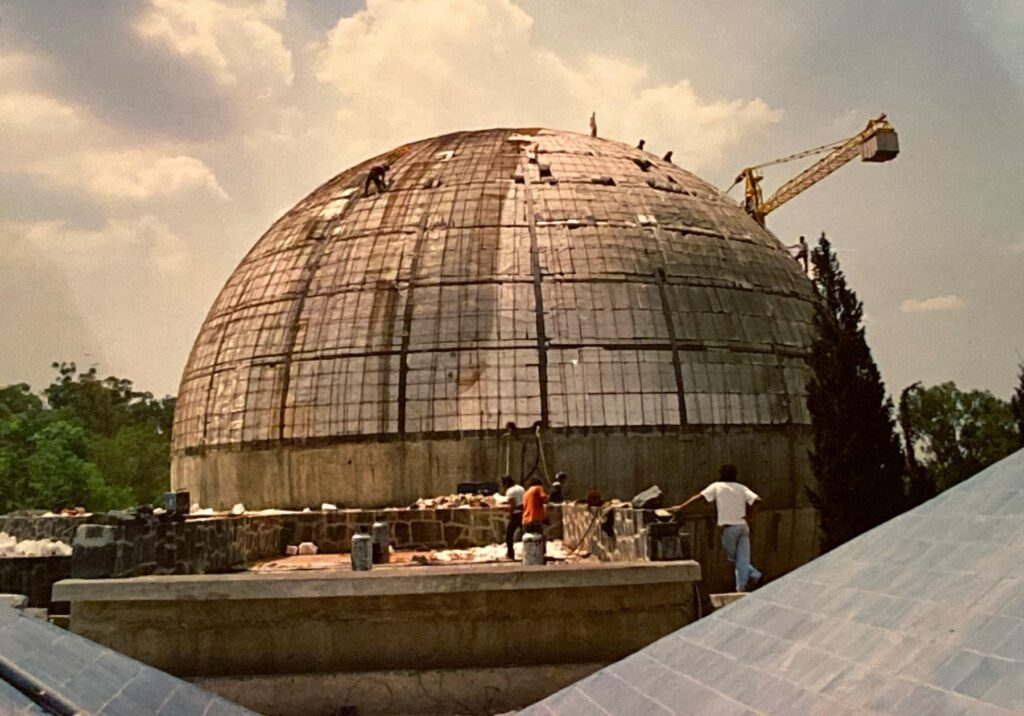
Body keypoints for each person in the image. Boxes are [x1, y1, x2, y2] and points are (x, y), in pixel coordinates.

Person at [668, 464, 762, 592]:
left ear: (721, 474)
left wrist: (681, 507)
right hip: (743, 525)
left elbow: (699, 497)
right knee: (743, 557)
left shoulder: (717, 486)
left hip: (729, 528)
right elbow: (758, 500)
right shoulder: (742, 488)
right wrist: (750, 516)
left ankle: (753, 576)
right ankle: (742, 585)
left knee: (735, 558)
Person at [502, 476, 525, 560]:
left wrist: (510, 514)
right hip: (524, 512)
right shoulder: (521, 488)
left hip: (516, 514)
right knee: (525, 533)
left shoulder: (510, 491)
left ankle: (510, 553)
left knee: (509, 535)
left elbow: (513, 504)